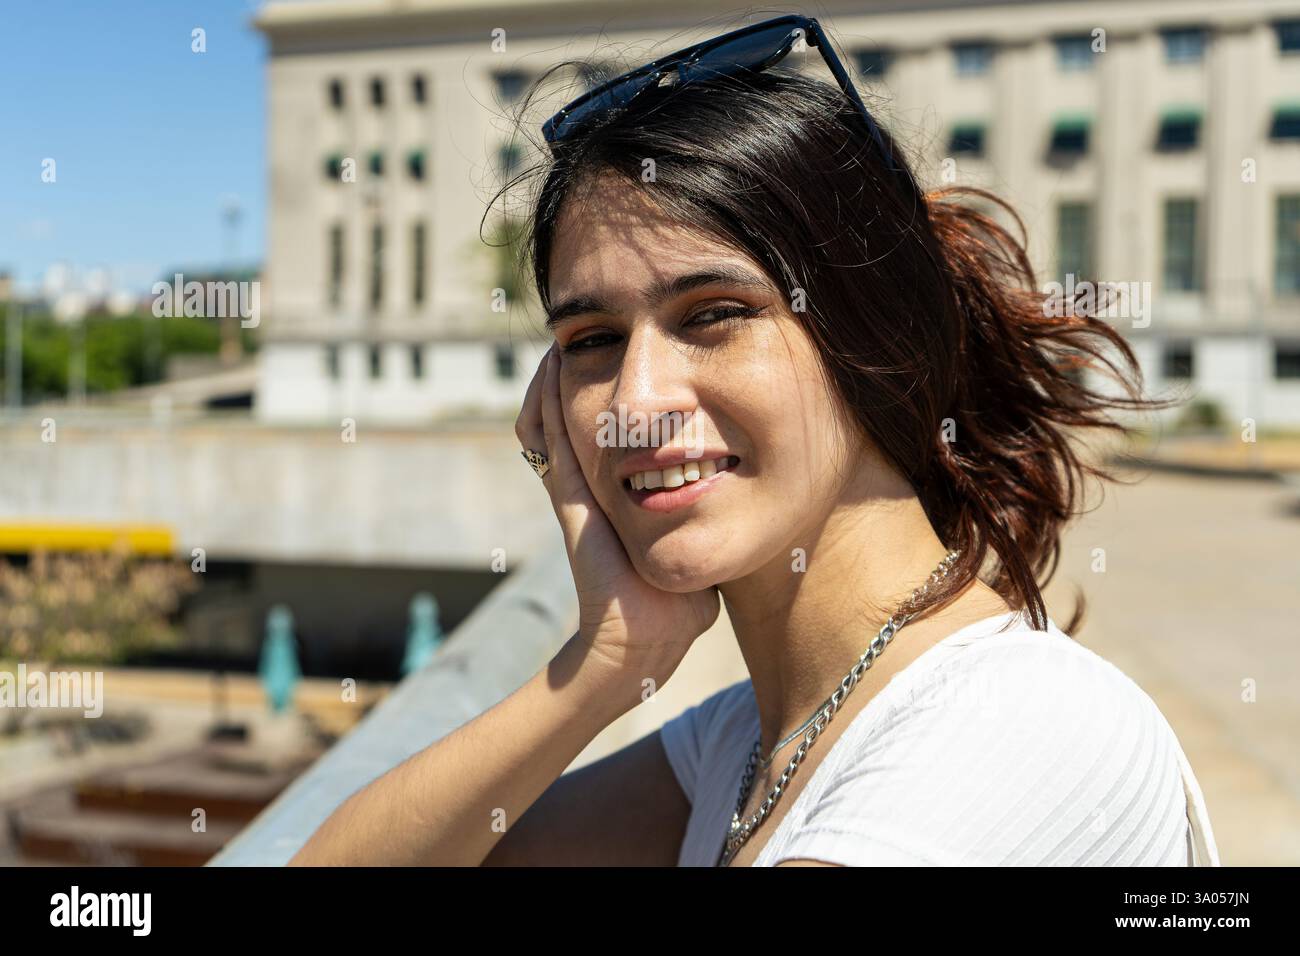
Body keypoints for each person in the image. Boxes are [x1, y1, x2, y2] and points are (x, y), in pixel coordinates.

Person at [290, 15, 1219, 867]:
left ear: (875, 334)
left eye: (716, 314)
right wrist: (605, 668)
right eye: (592, 340)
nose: (636, 402)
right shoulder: (742, 744)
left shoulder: (1017, 729)